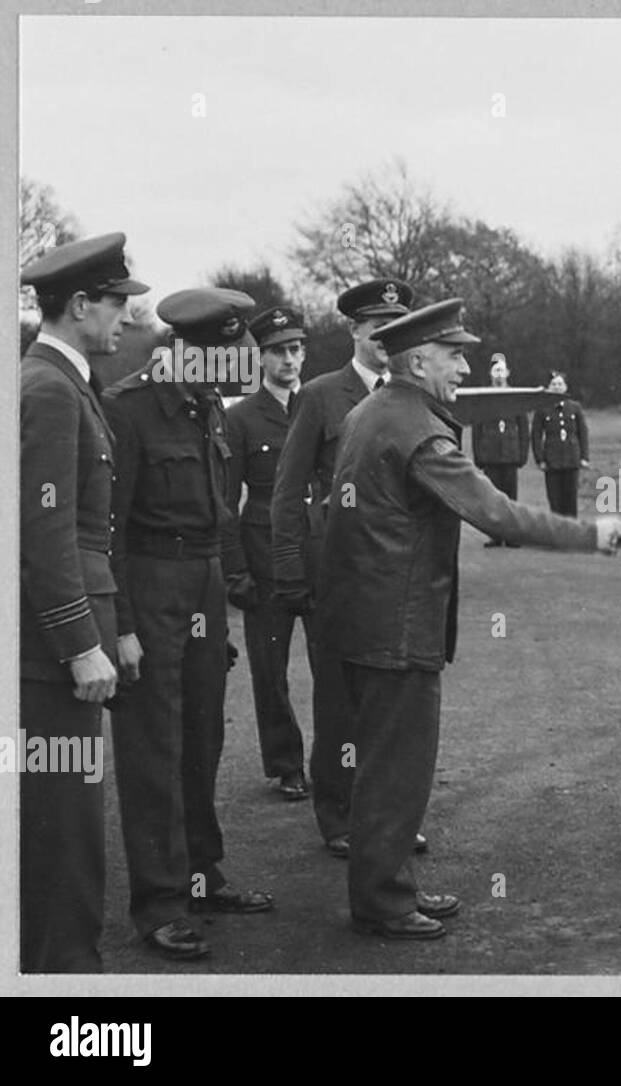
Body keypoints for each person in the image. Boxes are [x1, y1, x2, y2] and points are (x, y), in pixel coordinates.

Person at [316, 298, 621, 940]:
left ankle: (389, 884)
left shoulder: (370, 411)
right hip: (398, 629)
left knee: (382, 761)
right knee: (398, 767)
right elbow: (497, 513)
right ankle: (382, 901)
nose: (466, 366)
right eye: (456, 355)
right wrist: (588, 535)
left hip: (362, 620)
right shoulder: (420, 431)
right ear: (418, 359)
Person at [103, 287, 274, 961]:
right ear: (188, 351)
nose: (236, 374)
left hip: (200, 581)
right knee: (152, 749)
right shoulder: (130, 411)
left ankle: (202, 876)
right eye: (226, 358)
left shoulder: (204, 406)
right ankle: (160, 903)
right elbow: (109, 530)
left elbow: (217, 517)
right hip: (148, 585)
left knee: (202, 735)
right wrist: (119, 624)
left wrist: (220, 608)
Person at [18, 233, 148, 972]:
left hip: (65, 650)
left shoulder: (67, 385)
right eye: (117, 304)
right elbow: (45, 534)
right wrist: (79, 642)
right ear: (78, 306)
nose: (126, 319)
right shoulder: (47, 389)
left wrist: (112, 627)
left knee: (68, 829)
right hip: (49, 660)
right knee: (62, 839)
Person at [269, 278, 428, 857]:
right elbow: (286, 493)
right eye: (375, 327)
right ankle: (339, 817)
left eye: (396, 328)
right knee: (339, 701)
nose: (385, 338)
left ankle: (389, 817)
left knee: (390, 705)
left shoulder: (415, 395)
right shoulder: (319, 395)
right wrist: (290, 571)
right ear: (354, 331)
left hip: (393, 576)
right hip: (332, 571)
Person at [224, 305, 309, 801]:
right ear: (260, 358)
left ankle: (339, 766)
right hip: (264, 562)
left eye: (296, 349)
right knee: (270, 672)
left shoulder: (317, 406)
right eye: (279, 351)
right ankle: (286, 766)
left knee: (335, 672)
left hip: (316, 561)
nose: (289, 360)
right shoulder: (241, 419)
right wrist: (236, 573)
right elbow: (223, 504)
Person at [471, 353, 530, 547]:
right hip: (491, 455)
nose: (499, 374)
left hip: (511, 454)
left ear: (508, 373)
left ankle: (512, 536)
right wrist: (478, 455)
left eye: (502, 370)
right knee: (492, 498)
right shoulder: (484, 397)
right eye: (495, 370)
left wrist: (522, 454)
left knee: (511, 498)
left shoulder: (516, 396)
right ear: (490, 373)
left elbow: (523, 428)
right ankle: (495, 535)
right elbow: (477, 428)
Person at [531, 372, 588, 516]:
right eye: (554, 384)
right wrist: (540, 459)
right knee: (555, 501)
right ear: (548, 387)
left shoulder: (575, 407)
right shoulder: (542, 409)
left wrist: (584, 457)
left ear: (565, 387)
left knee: (571, 500)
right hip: (552, 461)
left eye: (560, 384)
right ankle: (558, 535)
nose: (557, 387)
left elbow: (583, 433)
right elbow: (536, 436)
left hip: (571, 460)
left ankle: (573, 534)